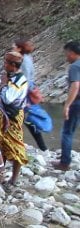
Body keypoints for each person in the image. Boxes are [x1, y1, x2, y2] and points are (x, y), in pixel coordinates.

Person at [0, 51, 29, 187]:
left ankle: (14, 179)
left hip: (12, 117)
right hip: (4, 116)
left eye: (6, 63)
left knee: (15, 145)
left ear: (13, 65)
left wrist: (4, 84)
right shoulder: (12, 77)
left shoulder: (19, 80)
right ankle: (0, 175)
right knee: (1, 144)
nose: (4, 65)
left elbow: (8, 98)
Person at [13, 38, 47, 151]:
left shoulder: (25, 60)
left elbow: (26, 79)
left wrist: (22, 97)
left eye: (14, 46)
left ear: (19, 48)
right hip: (21, 92)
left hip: (23, 93)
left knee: (23, 119)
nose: (12, 47)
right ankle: (43, 148)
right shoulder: (24, 58)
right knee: (17, 118)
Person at [52, 41, 80, 171]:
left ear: (73, 53)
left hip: (77, 102)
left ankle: (64, 163)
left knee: (67, 132)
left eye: (67, 53)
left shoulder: (75, 66)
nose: (66, 56)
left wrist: (67, 105)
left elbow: (75, 85)